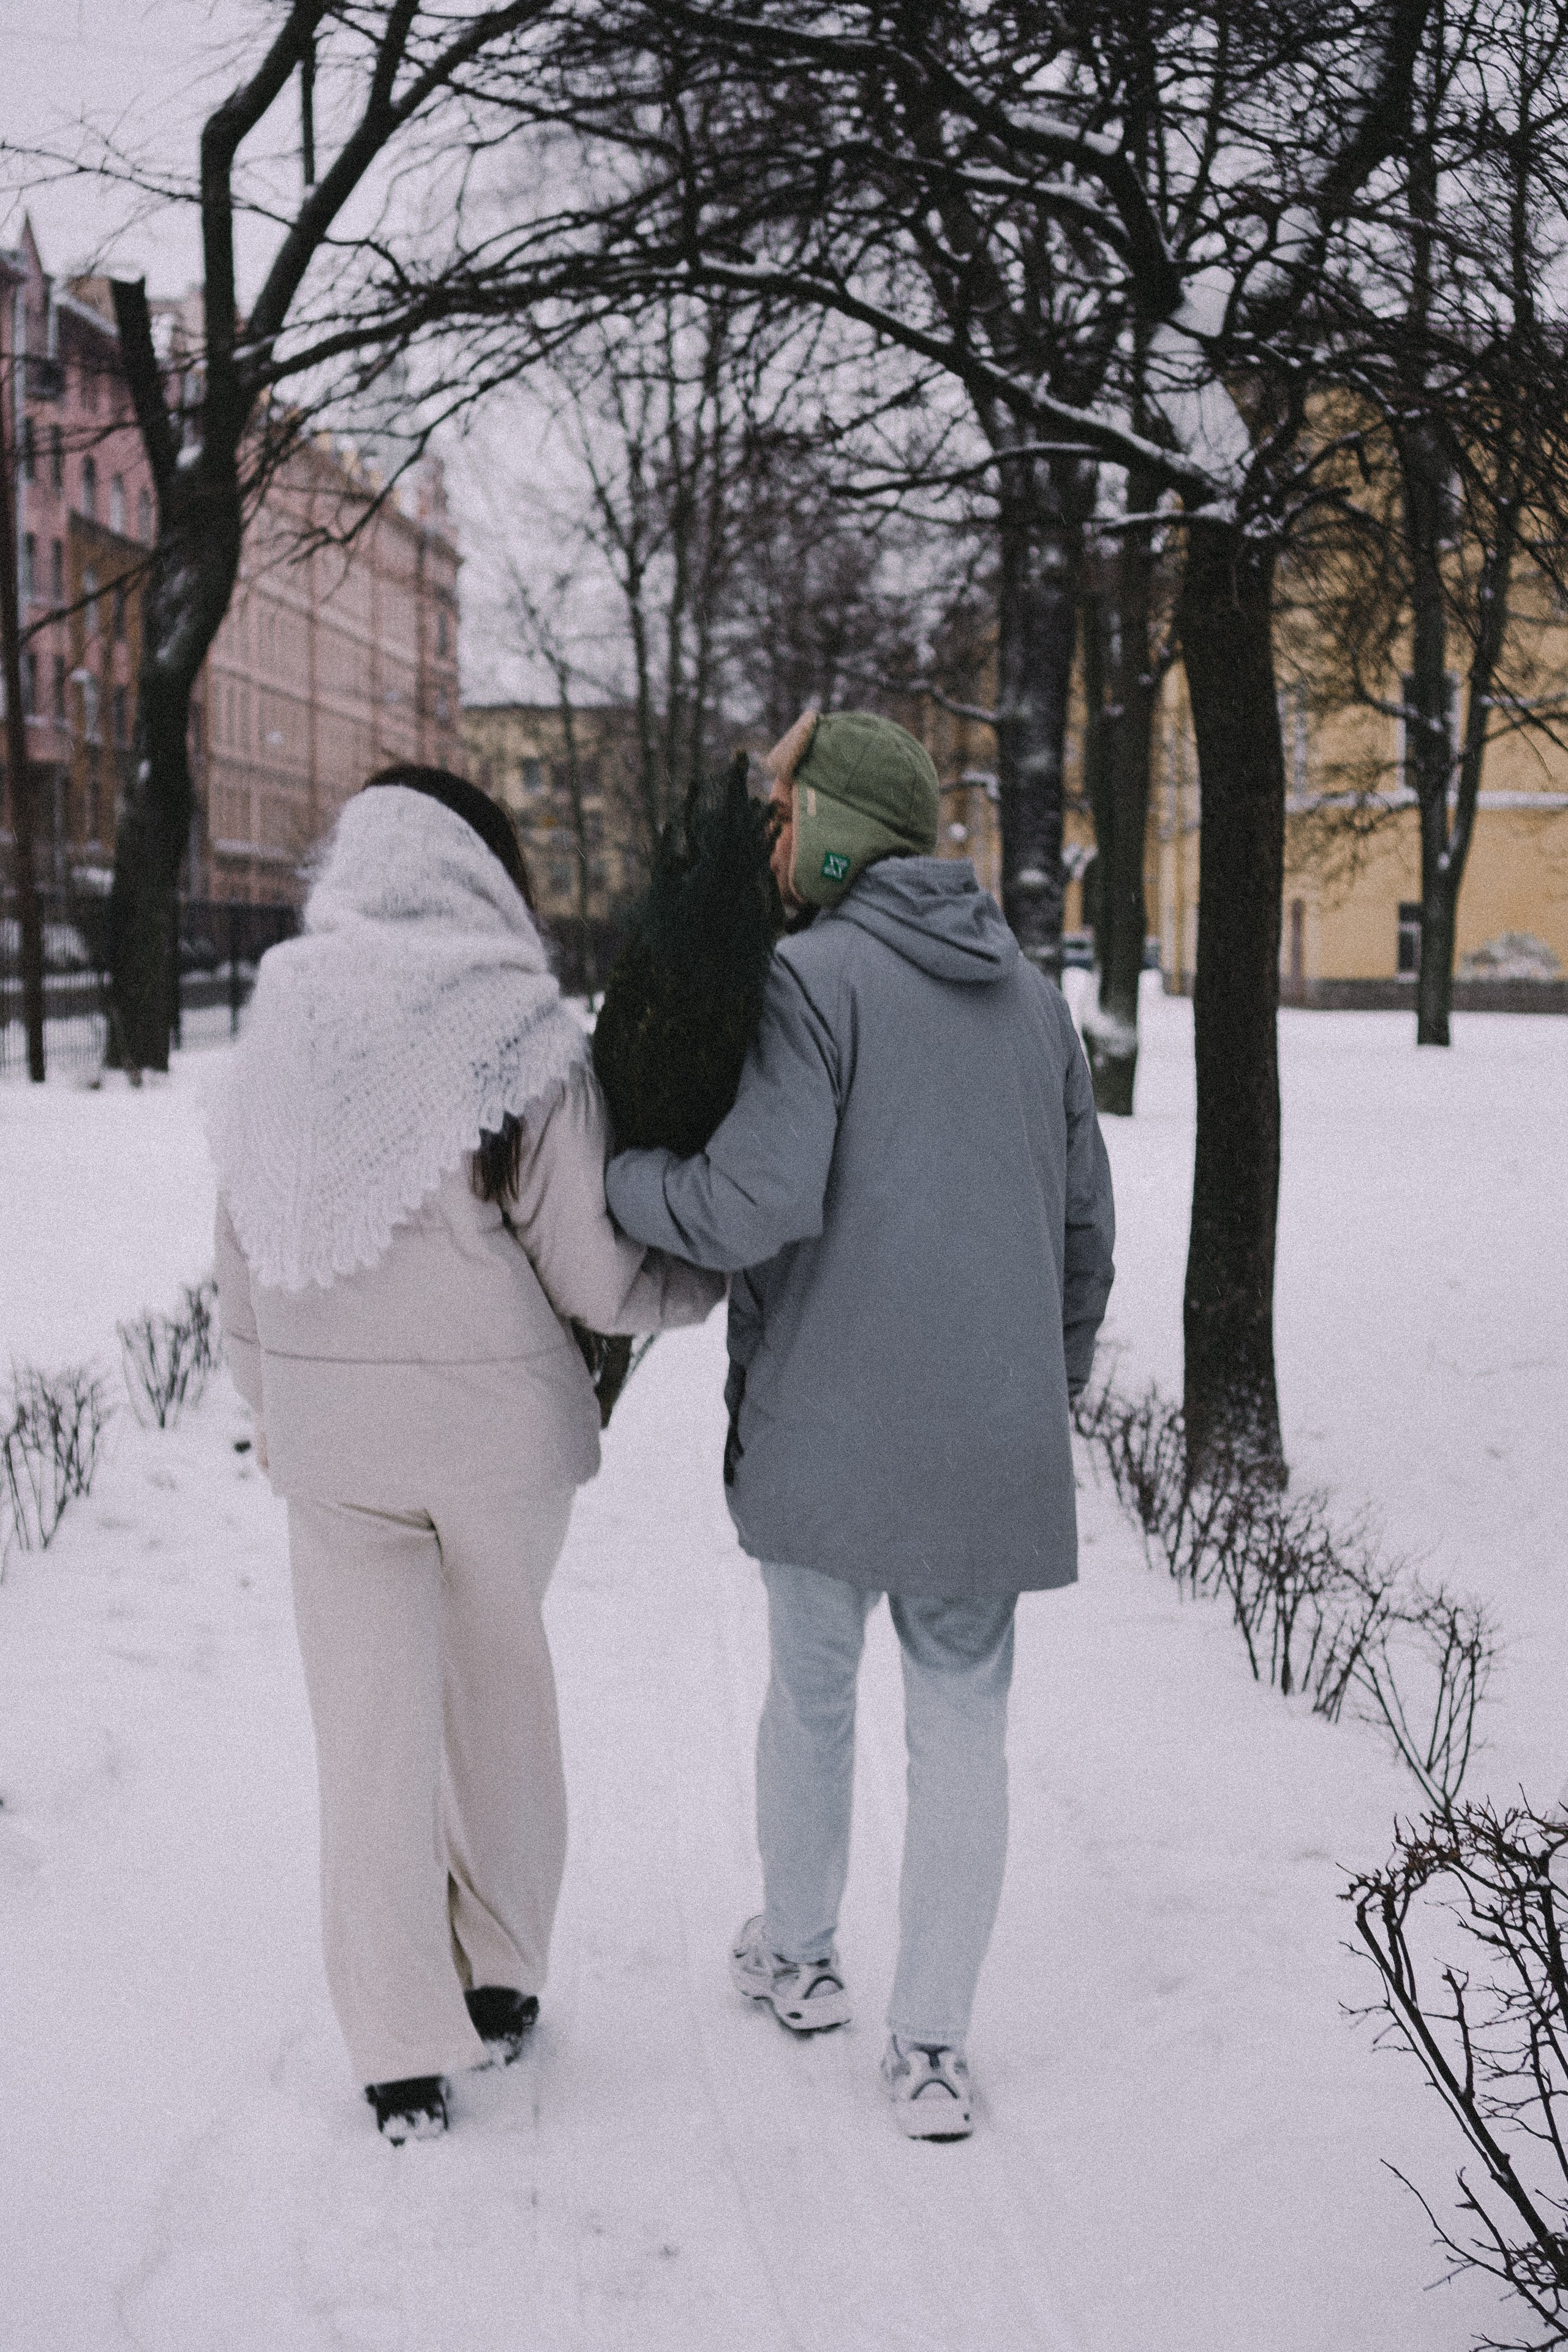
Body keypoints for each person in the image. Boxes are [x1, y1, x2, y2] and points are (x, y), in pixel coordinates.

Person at [606, 709, 1115, 2140]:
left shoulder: (810, 982)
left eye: (782, 818)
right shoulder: (1030, 999)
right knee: (962, 1734)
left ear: (833, 827)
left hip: (826, 1426)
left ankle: (798, 1955)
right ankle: (934, 2051)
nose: (770, 846)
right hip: (988, 1446)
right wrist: (1032, 1393)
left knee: (810, 1701)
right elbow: (1085, 1233)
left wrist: (628, 1179)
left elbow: (753, 1199)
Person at [209, 767, 721, 2142]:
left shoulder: (281, 1030)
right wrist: (698, 1286)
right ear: (481, 873)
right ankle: (498, 1979)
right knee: (498, 1696)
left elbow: (243, 1262)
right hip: (498, 1443)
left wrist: (279, 1406)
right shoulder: (520, 1034)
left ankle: (394, 2051)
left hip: (332, 1450)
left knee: (366, 1742)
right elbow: (595, 1275)